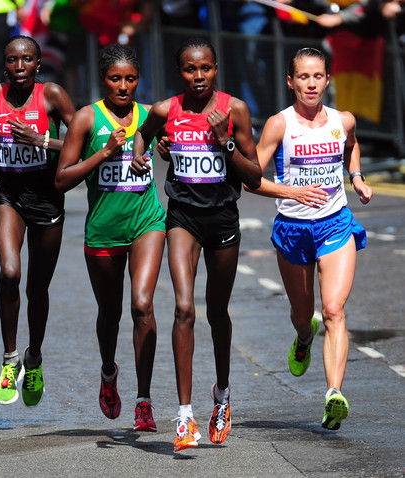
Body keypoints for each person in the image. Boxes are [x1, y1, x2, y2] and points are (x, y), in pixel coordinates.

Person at [132, 37, 262, 450]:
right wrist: (142, 153)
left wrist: (225, 142)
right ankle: (185, 416)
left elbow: (255, 176)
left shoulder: (234, 109)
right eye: (190, 69)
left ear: (216, 69)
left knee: (217, 311)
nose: (199, 76)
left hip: (222, 217)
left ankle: (222, 394)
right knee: (184, 308)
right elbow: (143, 135)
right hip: (183, 217)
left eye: (205, 68)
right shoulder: (164, 110)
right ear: (180, 73)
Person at [249, 47, 373, 431]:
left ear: (327, 79)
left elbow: (351, 146)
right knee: (304, 316)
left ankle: (334, 394)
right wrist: (292, 192)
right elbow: (251, 179)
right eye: (303, 77)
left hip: (335, 224)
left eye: (318, 76)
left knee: (334, 309)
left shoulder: (343, 120)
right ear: (291, 81)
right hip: (293, 229)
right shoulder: (279, 125)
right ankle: (304, 338)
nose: (311, 83)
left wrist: (356, 178)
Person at [55, 43, 166, 432]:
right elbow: (61, 179)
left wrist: (166, 148)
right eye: (115, 79)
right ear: (102, 80)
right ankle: (108, 371)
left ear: (138, 80)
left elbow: (172, 151)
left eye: (130, 79)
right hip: (103, 230)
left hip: (146, 222)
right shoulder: (87, 118)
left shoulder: (150, 115)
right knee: (110, 313)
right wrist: (104, 153)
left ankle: (144, 400)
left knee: (142, 305)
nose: (123, 86)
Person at [0, 35, 75, 408]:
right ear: (4, 64)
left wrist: (41, 141)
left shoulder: (52, 96)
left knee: (37, 289)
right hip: (9, 196)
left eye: (27, 59)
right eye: (12, 60)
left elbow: (85, 141)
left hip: (47, 199)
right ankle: (9, 359)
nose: (19, 66)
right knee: (10, 271)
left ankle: (34, 358)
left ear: (38, 64)